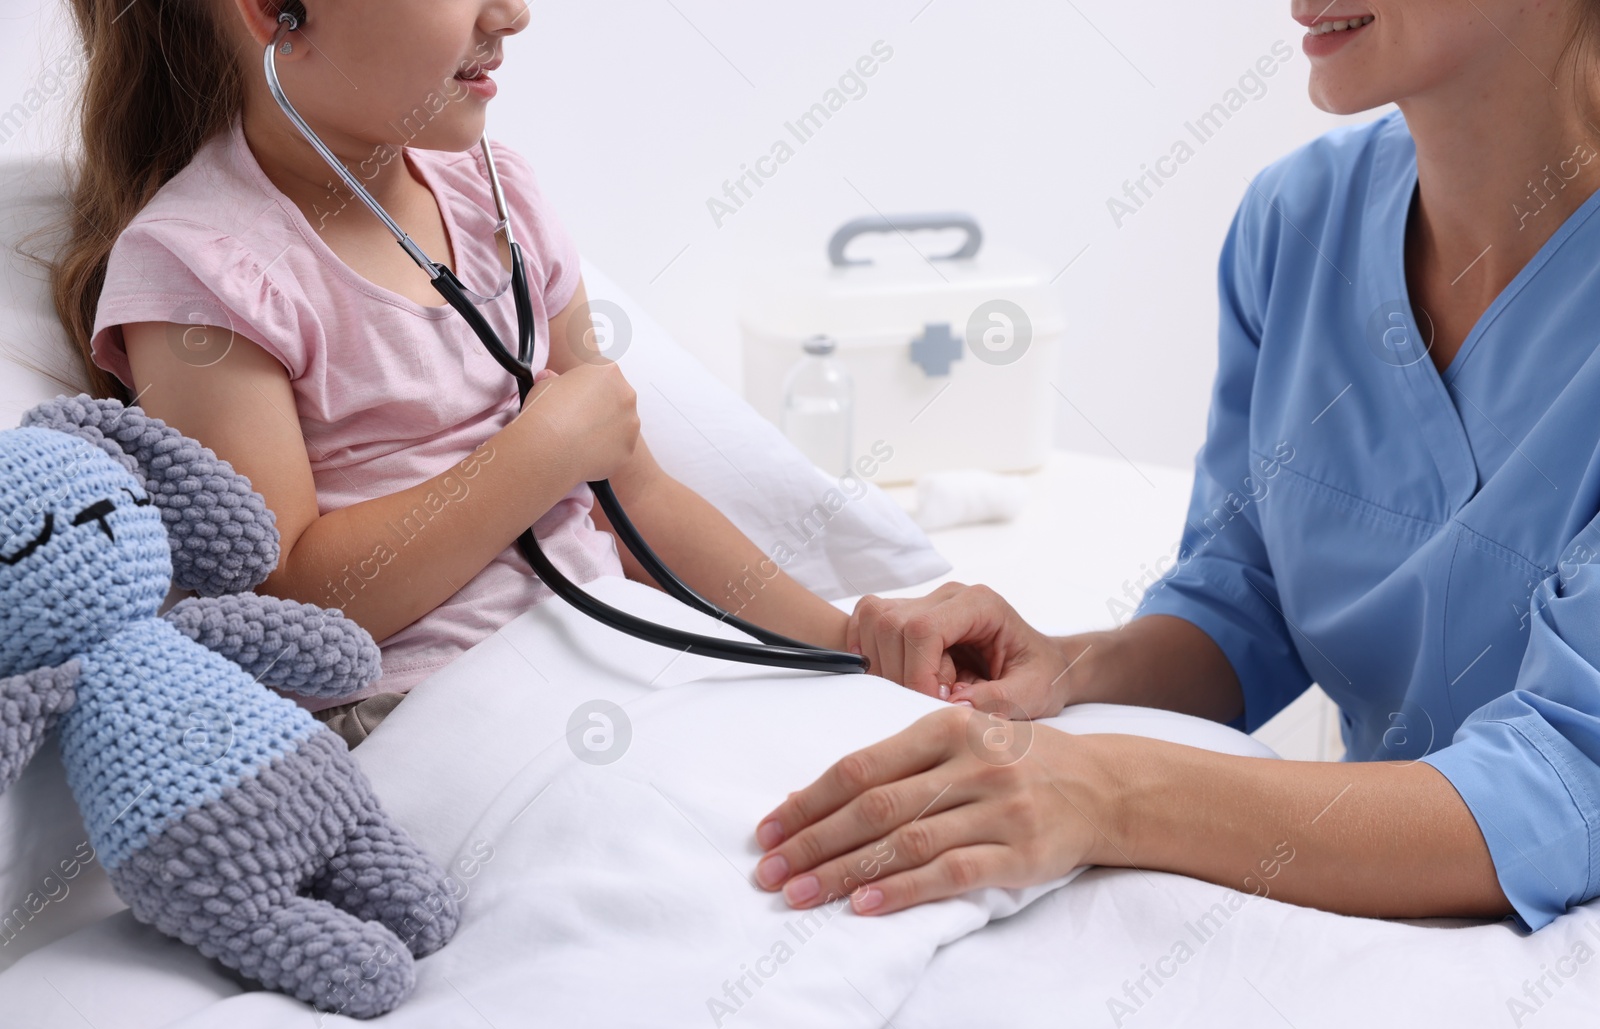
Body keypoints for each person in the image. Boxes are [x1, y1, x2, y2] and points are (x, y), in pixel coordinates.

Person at [754, 0, 1600, 933]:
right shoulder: (1299, 225)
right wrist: (1068, 666)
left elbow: (1565, 785)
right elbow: (1244, 601)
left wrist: (1114, 791)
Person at [45, 0, 854, 748]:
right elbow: (284, 605)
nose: (512, 14)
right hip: (420, 725)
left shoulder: (498, 199)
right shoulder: (202, 267)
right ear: (277, 11)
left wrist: (854, 644)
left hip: (619, 666)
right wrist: (540, 455)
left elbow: (635, 498)